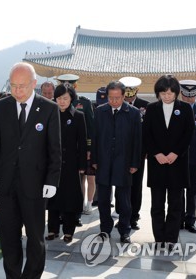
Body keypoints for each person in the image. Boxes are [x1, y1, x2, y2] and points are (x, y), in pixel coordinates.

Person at [0, 62, 61, 278]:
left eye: (22, 86)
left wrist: (52, 180)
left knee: (35, 237)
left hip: (35, 184)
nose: (17, 91)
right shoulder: (1, 107)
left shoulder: (49, 108)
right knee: (8, 236)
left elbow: (54, 149)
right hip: (7, 183)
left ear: (34, 84)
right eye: (13, 86)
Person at [142, 74, 194, 251]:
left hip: (177, 163)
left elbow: (188, 134)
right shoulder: (151, 108)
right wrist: (156, 153)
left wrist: (175, 153)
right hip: (157, 163)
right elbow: (146, 134)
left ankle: (171, 239)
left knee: (175, 204)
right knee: (157, 204)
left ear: (177, 93)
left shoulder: (185, 109)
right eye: (163, 93)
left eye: (170, 93)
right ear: (158, 93)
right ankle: (159, 238)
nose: (167, 96)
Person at [92, 81, 141, 243]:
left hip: (124, 162)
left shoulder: (133, 113)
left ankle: (124, 230)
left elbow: (137, 141)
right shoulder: (100, 111)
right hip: (104, 161)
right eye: (111, 98)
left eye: (117, 98)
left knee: (124, 200)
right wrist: (94, 159)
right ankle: (105, 229)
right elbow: (95, 137)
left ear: (123, 96)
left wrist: (135, 163)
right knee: (104, 200)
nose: (114, 101)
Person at [46, 84, 86, 243]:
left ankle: (69, 230)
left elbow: (82, 143)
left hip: (71, 164)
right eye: (59, 98)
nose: (61, 101)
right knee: (52, 197)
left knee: (69, 198)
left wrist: (82, 165)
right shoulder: (50, 115)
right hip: (52, 164)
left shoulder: (78, 116)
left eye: (65, 98)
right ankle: (52, 229)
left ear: (71, 99)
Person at [57, 74, 95, 220]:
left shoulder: (84, 103)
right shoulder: (56, 105)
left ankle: (76, 215)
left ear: (75, 87)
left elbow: (90, 128)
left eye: (71, 85)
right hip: (60, 154)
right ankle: (60, 213)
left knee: (77, 185)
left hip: (77, 152)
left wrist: (88, 150)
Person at [118, 76, 149, 230]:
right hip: (119, 154)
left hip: (139, 153)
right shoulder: (117, 105)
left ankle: (134, 216)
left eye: (132, 95)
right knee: (120, 185)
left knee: (136, 186)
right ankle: (121, 214)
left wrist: (146, 152)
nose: (129, 98)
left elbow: (149, 132)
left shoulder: (146, 106)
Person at [179, 80, 196, 234]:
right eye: (186, 94)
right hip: (177, 158)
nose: (189, 98)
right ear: (181, 93)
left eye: (192, 95)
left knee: (193, 190)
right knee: (178, 191)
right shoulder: (175, 109)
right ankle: (178, 219)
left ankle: (190, 220)